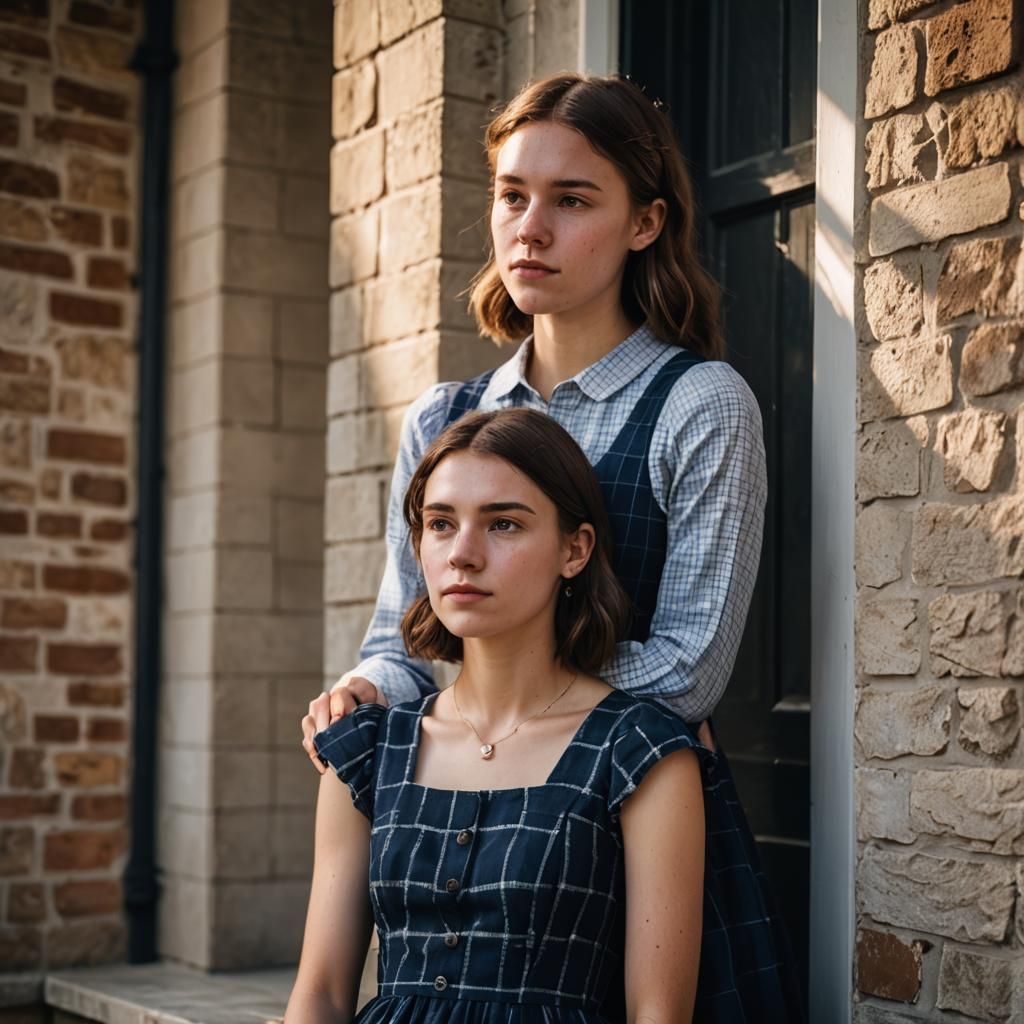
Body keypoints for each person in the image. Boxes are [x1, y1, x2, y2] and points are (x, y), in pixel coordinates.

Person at [301, 73, 804, 1020]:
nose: (530, 228)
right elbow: (407, 633)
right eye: (512, 195)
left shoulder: (699, 404)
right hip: (471, 804)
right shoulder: (444, 416)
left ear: (646, 223)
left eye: (572, 201)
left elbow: (689, 669)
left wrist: (519, 700)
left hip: (625, 825)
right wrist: (369, 690)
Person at [285, 408, 708, 1023]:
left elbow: (658, 1015)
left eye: (503, 523)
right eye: (439, 523)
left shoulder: (640, 752)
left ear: (574, 549)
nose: (462, 554)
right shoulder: (368, 751)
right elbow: (320, 995)